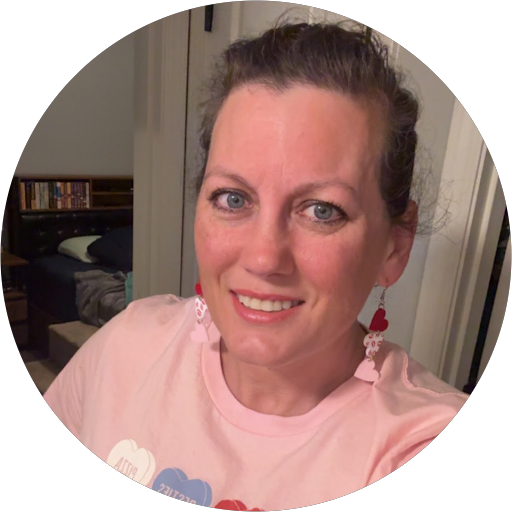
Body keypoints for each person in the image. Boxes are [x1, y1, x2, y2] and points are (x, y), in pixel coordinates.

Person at [44, 22, 468, 508]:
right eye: (233, 198)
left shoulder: (411, 440)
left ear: (394, 245)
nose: (264, 258)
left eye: (322, 210)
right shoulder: (127, 345)